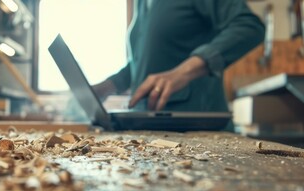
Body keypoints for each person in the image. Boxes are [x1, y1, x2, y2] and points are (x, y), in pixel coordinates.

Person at [92, 0, 265, 113]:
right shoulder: (141, 2)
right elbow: (141, 61)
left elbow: (249, 26)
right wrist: (105, 87)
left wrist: (183, 72)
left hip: (196, 124)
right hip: (149, 124)